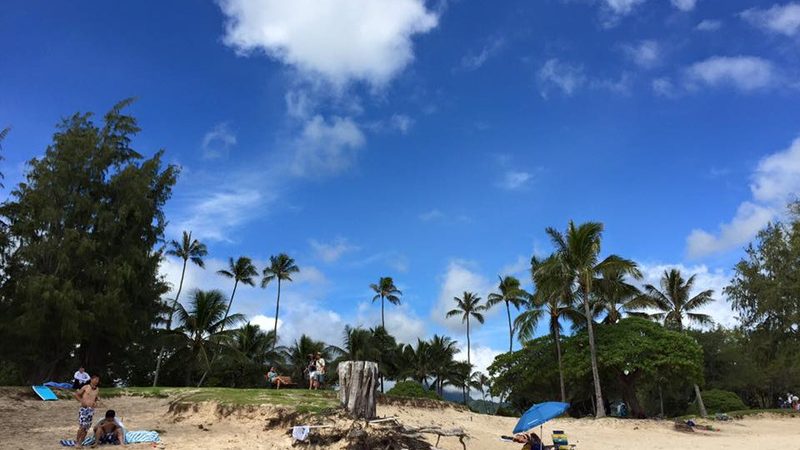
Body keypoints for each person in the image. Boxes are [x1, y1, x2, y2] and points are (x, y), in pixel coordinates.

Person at [73, 375, 100, 448]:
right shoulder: (86, 387)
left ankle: (81, 443)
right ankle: (77, 442)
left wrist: (96, 402)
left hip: (91, 410)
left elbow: (95, 398)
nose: (96, 381)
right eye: (95, 379)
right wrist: (81, 401)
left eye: (97, 380)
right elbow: (76, 395)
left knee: (87, 428)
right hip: (84, 409)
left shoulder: (97, 389)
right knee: (82, 427)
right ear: (91, 379)